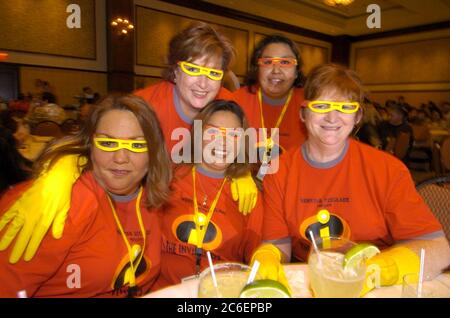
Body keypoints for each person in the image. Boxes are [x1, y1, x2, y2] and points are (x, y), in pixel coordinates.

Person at [0, 22, 258, 265]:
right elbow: (89, 142)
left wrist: (241, 170)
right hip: (138, 207)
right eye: (193, 69)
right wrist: (58, 172)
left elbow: (247, 143)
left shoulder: (226, 104)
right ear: (175, 71)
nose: (203, 83)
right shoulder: (145, 106)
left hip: (191, 212)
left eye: (213, 73)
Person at [251, 64, 450, 296]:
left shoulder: (387, 169)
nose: (332, 117)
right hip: (311, 284)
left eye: (345, 107)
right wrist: (267, 257)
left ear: (357, 117)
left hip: (377, 289)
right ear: (303, 113)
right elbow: (278, 245)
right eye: (322, 106)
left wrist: (379, 270)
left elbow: (438, 249)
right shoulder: (279, 170)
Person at [0, 94, 172, 297]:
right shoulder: (55, 204)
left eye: (136, 145)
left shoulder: (152, 198)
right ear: (90, 145)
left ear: (153, 152)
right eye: (107, 144)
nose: (120, 158)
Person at [154, 100, 263, 290]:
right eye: (213, 132)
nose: (224, 141)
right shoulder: (168, 176)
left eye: (234, 135)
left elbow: (261, 255)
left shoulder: (248, 195)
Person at [232, 34, 307, 180]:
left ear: (297, 71)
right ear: (257, 68)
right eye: (267, 62)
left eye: (285, 62)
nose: (276, 70)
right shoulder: (235, 101)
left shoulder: (309, 106)